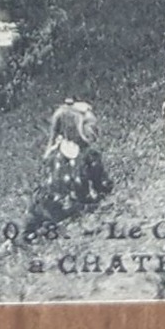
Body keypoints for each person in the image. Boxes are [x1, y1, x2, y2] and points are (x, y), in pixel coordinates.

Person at [22, 99, 112, 237]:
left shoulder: (52, 152)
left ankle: (29, 234)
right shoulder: (89, 155)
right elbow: (102, 186)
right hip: (69, 210)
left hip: (41, 208)